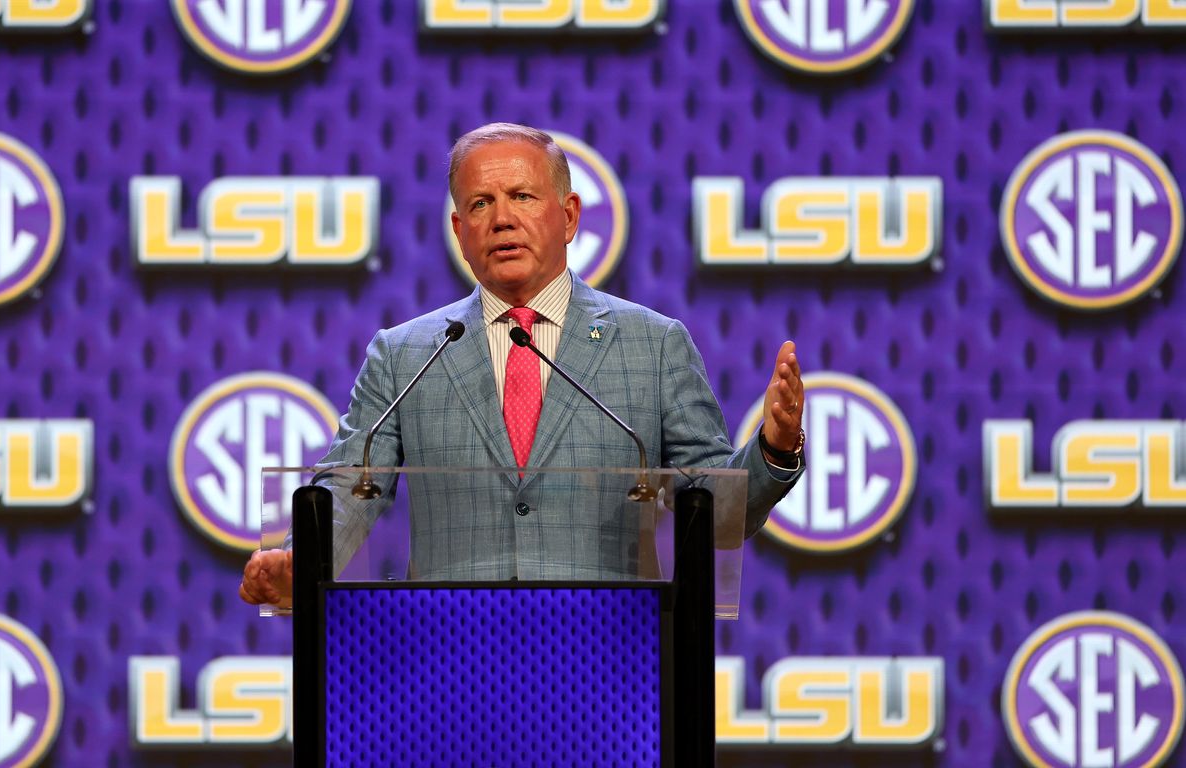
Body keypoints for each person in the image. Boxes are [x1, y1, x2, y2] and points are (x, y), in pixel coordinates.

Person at [240, 123, 804, 608]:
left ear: (569, 215)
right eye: (480, 204)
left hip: (609, 665)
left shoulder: (653, 345)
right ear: (460, 233)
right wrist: (301, 559)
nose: (502, 219)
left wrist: (773, 450)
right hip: (448, 665)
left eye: (522, 197)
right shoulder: (405, 354)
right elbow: (347, 487)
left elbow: (715, 511)